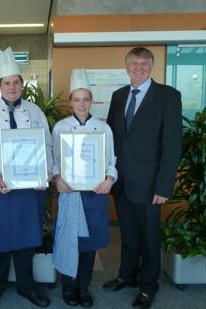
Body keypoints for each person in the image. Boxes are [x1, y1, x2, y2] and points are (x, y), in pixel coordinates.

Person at [0, 47, 52, 309]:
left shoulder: (35, 111)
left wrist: (44, 173)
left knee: (28, 240)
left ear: (22, 84)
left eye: (16, 82)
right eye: (7, 83)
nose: (12, 87)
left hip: (28, 190)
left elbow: (46, 146)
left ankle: (27, 286)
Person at [103, 47, 182, 308]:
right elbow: (113, 138)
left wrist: (164, 185)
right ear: (126, 67)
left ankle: (149, 286)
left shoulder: (168, 96)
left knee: (149, 238)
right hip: (122, 181)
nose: (139, 67)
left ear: (151, 66)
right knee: (128, 234)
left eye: (144, 63)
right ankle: (127, 276)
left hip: (150, 185)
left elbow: (172, 145)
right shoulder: (118, 95)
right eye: (134, 63)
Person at [51, 69, 117, 308]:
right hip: (70, 194)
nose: (81, 104)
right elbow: (54, 161)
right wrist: (57, 178)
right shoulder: (60, 127)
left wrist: (109, 179)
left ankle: (83, 287)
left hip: (94, 195)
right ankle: (69, 288)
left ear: (92, 101)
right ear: (70, 101)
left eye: (85, 99)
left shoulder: (103, 128)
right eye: (76, 99)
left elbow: (111, 162)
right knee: (70, 241)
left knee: (89, 245)